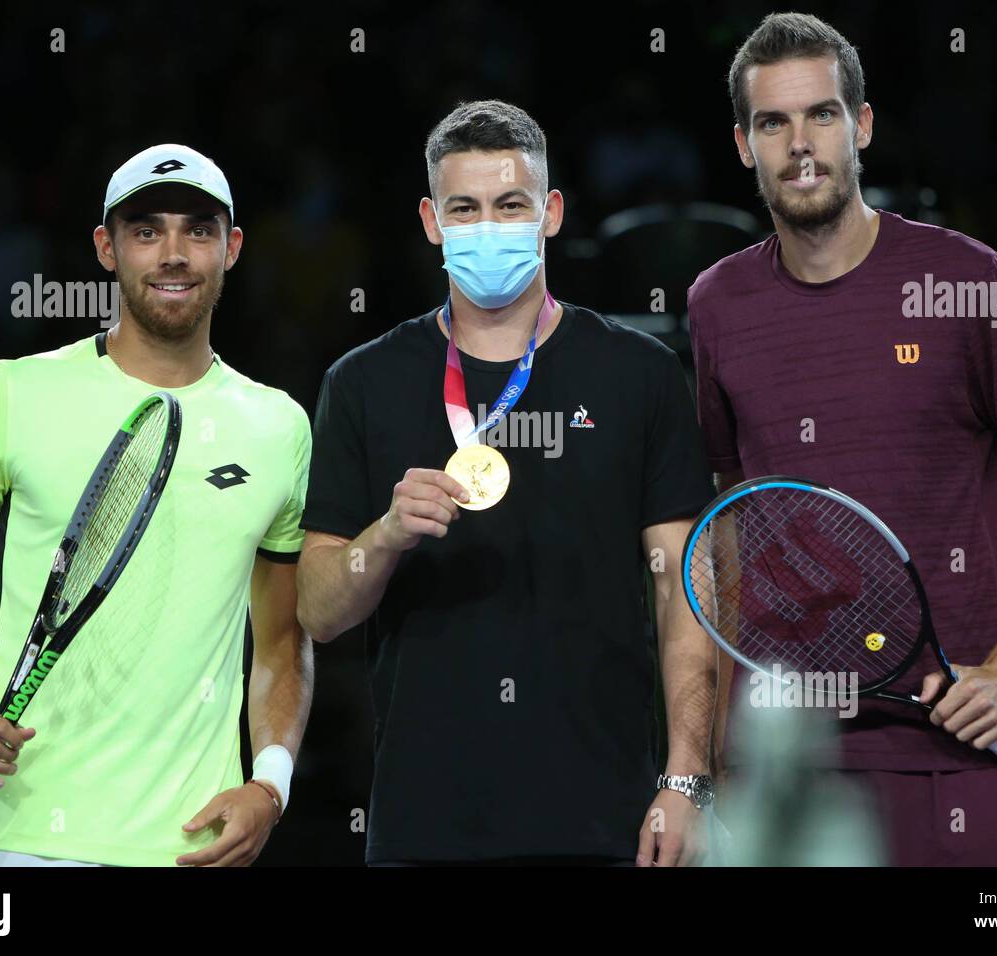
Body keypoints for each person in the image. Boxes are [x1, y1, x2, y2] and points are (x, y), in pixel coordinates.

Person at [689, 13, 997, 865]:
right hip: (789, 768)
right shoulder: (714, 304)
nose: (800, 144)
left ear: (863, 125)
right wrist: (717, 758)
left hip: (963, 761)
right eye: (773, 123)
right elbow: (733, 522)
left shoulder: (969, 280)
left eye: (823, 115)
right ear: (743, 144)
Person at [296, 100, 718, 866]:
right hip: (425, 825)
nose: (487, 227)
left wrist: (686, 781)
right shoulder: (362, 383)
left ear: (551, 212)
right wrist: (385, 535)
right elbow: (320, 614)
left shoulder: (638, 374)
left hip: (607, 820)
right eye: (465, 208)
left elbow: (683, 590)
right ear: (431, 221)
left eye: (510, 205)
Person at [0, 144, 313, 866]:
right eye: (146, 231)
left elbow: (281, 642)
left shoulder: (281, 427)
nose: (173, 253)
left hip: (192, 846)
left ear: (231, 248)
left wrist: (270, 786)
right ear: (107, 249)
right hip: (11, 843)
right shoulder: (11, 394)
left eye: (198, 231)